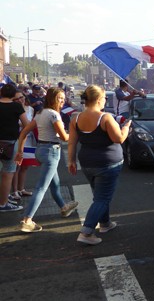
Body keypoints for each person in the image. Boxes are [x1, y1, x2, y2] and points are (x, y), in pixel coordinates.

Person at [67, 85, 131, 245]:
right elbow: (119, 139)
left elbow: (71, 142)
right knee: (102, 198)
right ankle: (86, 232)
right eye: (104, 98)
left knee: (99, 195)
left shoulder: (75, 118)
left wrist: (71, 160)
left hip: (87, 163)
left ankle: (105, 223)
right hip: (107, 164)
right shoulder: (105, 118)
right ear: (98, 100)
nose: (105, 101)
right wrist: (126, 128)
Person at [15, 88, 78, 233]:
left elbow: (24, 132)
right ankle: (27, 220)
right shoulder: (54, 115)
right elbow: (63, 137)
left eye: (63, 98)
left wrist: (20, 151)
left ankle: (63, 207)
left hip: (41, 150)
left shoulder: (40, 113)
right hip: (51, 152)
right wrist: (74, 131)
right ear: (52, 99)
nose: (62, 101)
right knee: (41, 188)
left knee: (54, 183)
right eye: (59, 98)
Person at [0, 84, 30, 212]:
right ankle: (3, 203)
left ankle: (3, 198)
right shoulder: (16, 106)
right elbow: (26, 125)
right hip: (10, 142)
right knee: (8, 173)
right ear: (13, 95)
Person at [11, 92, 38, 200]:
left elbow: (32, 122)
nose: (20, 100)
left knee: (25, 166)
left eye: (21, 97)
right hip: (18, 139)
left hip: (29, 139)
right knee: (16, 166)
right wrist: (24, 124)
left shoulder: (30, 109)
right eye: (16, 99)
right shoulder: (12, 109)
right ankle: (15, 191)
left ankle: (21, 189)